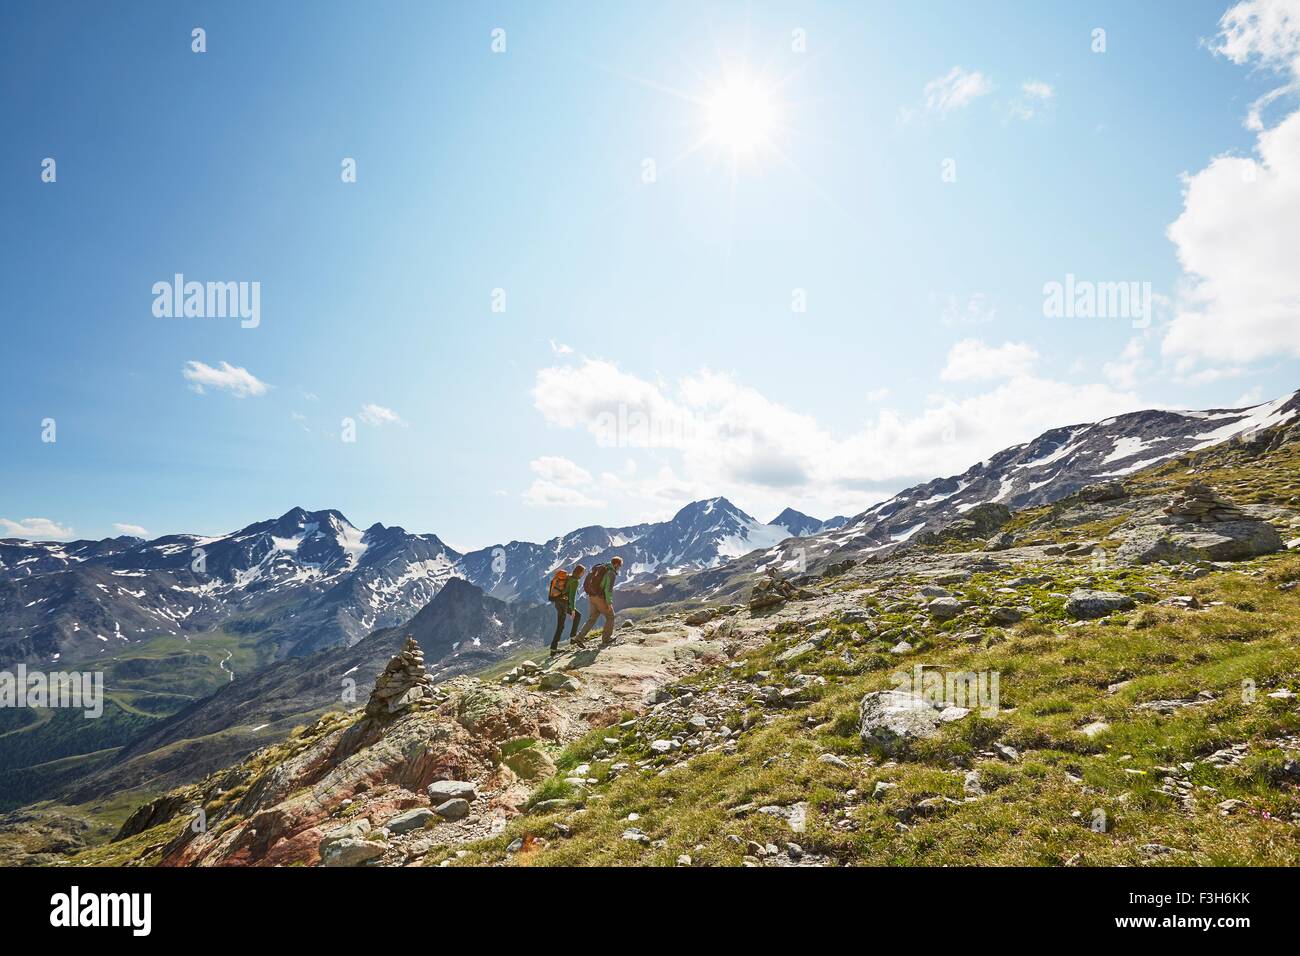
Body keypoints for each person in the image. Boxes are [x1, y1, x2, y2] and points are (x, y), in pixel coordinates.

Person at [575, 556, 622, 646]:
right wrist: (609, 603)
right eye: (619, 566)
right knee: (610, 617)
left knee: (592, 618)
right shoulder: (611, 573)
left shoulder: (601, 567)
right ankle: (606, 639)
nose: (619, 568)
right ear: (616, 564)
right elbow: (608, 589)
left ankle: (579, 637)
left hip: (591, 596)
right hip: (600, 598)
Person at [547, 564, 584, 655]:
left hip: (558, 602)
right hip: (563, 604)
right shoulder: (575, 581)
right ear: (580, 573)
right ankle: (553, 649)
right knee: (561, 626)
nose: (583, 574)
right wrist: (573, 609)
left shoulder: (569, 577)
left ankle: (572, 638)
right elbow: (572, 596)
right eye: (583, 572)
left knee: (566, 622)